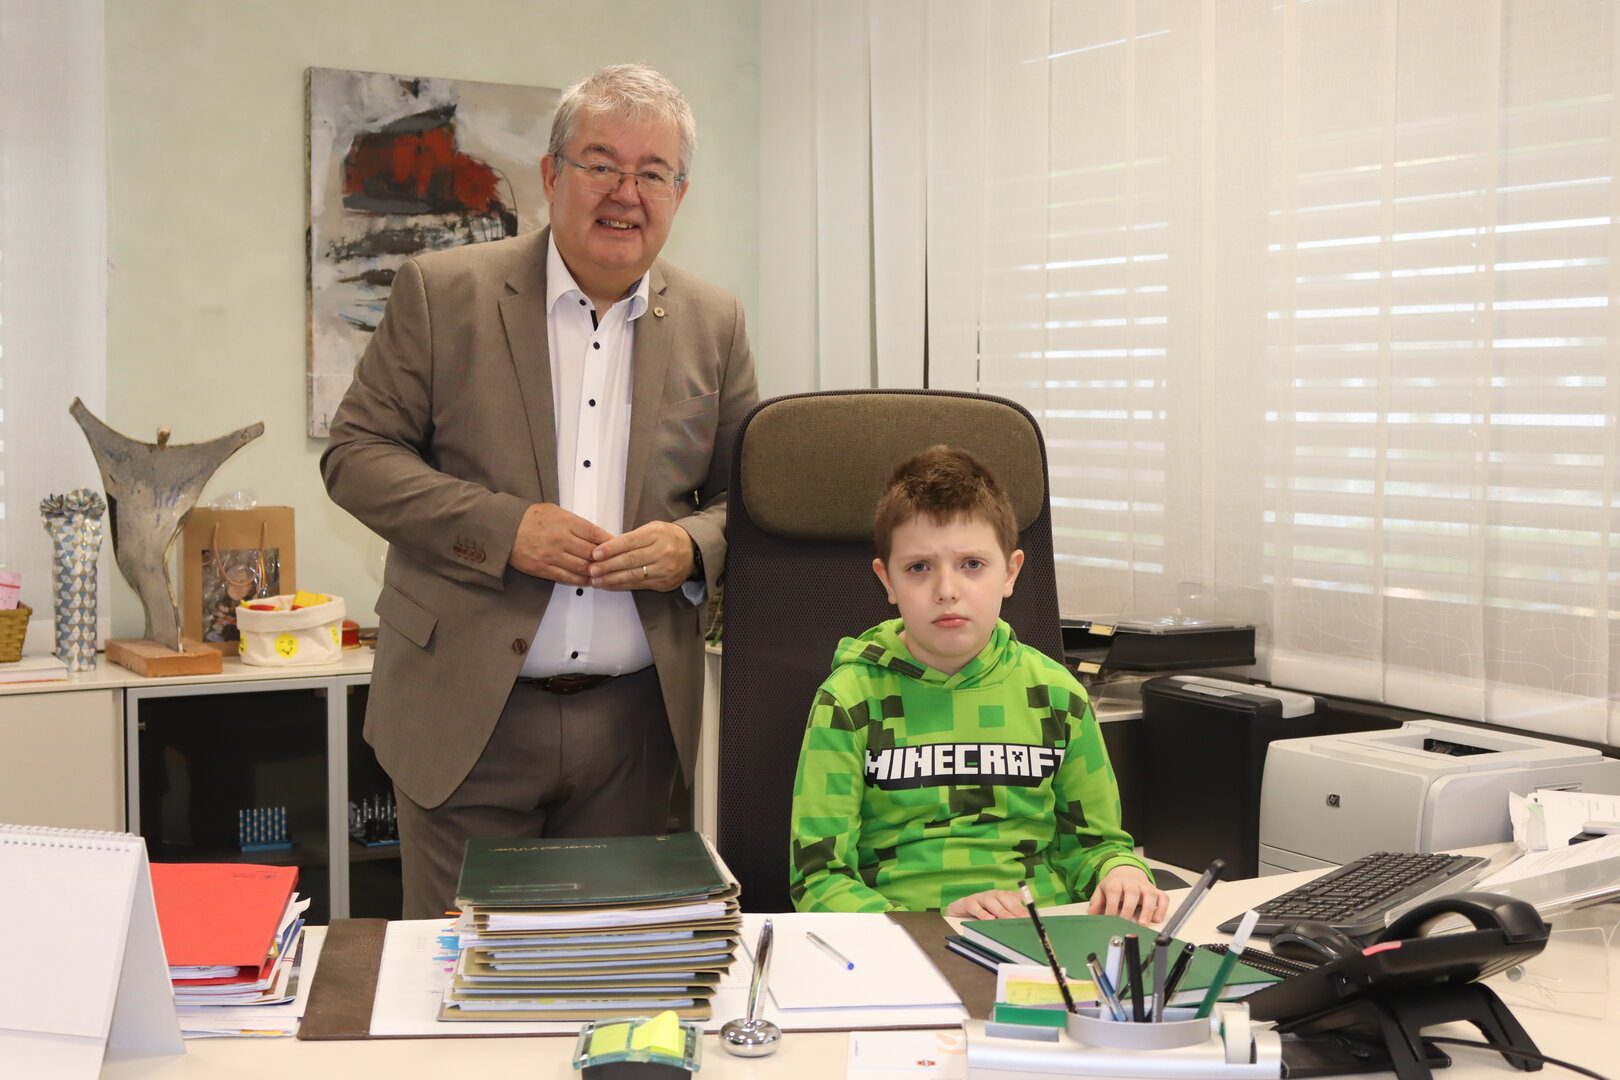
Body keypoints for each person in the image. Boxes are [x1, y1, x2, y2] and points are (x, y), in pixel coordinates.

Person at [321, 63, 758, 918]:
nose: (626, 193)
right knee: (459, 976)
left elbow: (750, 502)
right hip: (464, 722)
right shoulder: (443, 293)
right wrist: (503, 529)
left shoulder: (717, 323)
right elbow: (356, 456)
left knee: (614, 974)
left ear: (679, 193)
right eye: (601, 164)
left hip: (636, 736)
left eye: (653, 172)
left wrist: (690, 547)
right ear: (553, 174)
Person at [788, 446, 1168, 922]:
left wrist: (1121, 872)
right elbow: (818, 879)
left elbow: (1096, 845)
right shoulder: (848, 700)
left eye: (972, 564)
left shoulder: (1057, 695)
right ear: (887, 581)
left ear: (1010, 572)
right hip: (905, 940)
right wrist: (934, 925)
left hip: (1040, 938)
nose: (947, 590)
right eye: (919, 567)